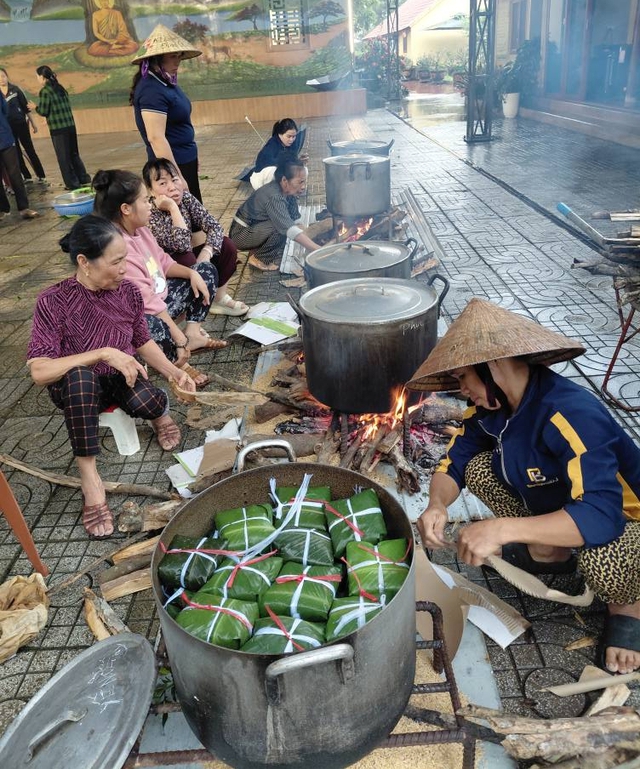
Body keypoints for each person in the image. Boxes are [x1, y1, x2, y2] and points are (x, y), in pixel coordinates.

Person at [413, 298, 640, 676]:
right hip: (569, 504)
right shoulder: (490, 410)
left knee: (605, 555)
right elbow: (455, 462)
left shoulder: (569, 411)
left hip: (626, 519)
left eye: (463, 377)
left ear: (494, 365)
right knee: (480, 468)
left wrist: (502, 529)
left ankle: (628, 605)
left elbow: (603, 515)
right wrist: (437, 505)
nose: (461, 389)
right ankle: (553, 549)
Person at [27, 215, 195, 539]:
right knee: (80, 377)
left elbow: (142, 342)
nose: (123, 269)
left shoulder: (128, 291)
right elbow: (39, 371)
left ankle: (159, 416)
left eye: (125, 260)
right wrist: (102, 352)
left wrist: (175, 372)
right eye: (115, 262)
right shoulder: (52, 300)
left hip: (120, 377)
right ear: (84, 262)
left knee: (148, 402)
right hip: (77, 388)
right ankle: (90, 480)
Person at [93, 169, 226, 389]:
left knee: (205, 270)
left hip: (160, 301)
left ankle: (193, 334)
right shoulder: (118, 247)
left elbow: (163, 262)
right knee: (151, 325)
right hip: (140, 316)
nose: (150, 205)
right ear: (126, 209)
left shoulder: (141, 230)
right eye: (145, 200)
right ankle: (175, 363)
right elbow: (146, 302)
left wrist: (192, 273)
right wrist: (178, 338)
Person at [143, 157, 249, 316]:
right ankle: (192, 313)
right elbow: (182, 245)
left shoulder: (186, 198)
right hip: (164, 269)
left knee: (226, 245)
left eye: (175, 179)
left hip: (187, 256)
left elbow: (214, 226)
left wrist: (206, 253)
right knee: (187, 258)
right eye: (163, 183)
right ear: (151, 190)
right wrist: (173, 208)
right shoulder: (151, 213)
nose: (172, 187)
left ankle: (218, 299)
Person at [130, 24, 203, 202]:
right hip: (170, 166)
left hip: (184, 160)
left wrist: (192, 156)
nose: (177, 61)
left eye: (179, 56)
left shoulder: (165, 82)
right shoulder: (151, 89)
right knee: (182, 213)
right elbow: (156, 138)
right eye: (172, 56)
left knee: (194, 212)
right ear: (157, 59)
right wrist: (175, 177)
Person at [229, 158, 320, 272]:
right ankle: (259, 259)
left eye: (304, 182)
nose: (303, 186)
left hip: (253, 229)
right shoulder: (274, 196)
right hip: (240, 235)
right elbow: (289, 228)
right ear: (284, 180)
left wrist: (309, 238)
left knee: (285, 224)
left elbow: (295, 219)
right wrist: (317, 249)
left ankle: (257, 248)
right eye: (300, 182)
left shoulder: (287, 190)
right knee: (281, 228)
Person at [27, 66, 90, 191]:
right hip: (70, 126)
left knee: (63, 158)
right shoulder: (60, 88)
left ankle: (72, 184)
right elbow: (57, 107)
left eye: (37, 76)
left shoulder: (45, 91)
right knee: (74, 154)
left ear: (42, 77)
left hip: (59, 129)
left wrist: (35, 107)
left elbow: (44, 110)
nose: (37, 79)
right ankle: (83, 179)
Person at [0, 68, 46, 184]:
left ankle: (41, 175)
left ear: (7, 76)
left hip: (21, 124)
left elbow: (26, 108)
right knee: (16, 152)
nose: (1, 79)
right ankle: (27, 176)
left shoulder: (16, 90)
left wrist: (33, 124)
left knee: (29, 149)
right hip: (8, 129)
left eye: (3, 76)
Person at [0, 92, 39, 219]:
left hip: (5, 139)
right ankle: (3, 209)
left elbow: (5, 110)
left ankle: (23, 208)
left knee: (15, 173)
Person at [249, 118, 307, 190]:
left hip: (280, 176)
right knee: (275, 170)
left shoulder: (292, 144)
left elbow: (291, 163)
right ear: (280, 134)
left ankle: (290, 190)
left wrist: (299, 162)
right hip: (262, 179)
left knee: (303, 169)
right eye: (288, 136)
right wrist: (292, 162)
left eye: (294, 136)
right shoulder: (271, 145)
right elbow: (275, 165)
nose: (291, 139)